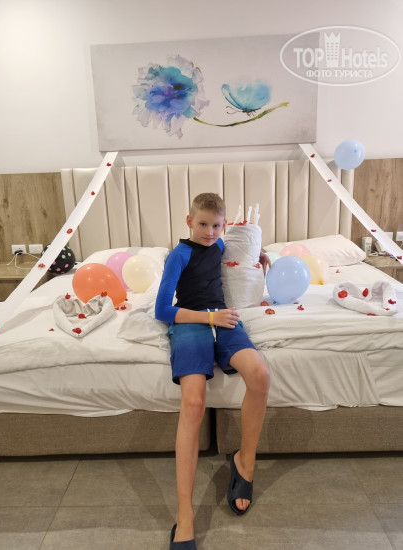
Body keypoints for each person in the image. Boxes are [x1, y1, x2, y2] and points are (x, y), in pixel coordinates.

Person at [155, 193, 270, 550]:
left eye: (216, 225)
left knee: (260, 375)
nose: (209, 232)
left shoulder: (220, 244)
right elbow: (162, 309)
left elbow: (236, 249)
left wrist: (260, 256)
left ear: (223, 225)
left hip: (223, 318)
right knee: (193, 402)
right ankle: (185, 513)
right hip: (192, 322)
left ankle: (245, 461)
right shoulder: (179, 254)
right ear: (189, 221)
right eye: (202, 224)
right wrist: (208, 318)